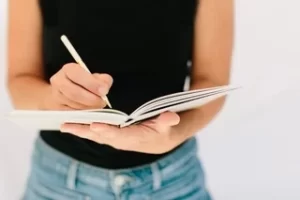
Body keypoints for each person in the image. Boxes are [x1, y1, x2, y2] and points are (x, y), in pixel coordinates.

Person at [7, 0, 233, 199]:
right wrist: (55, 99)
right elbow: (20, 82)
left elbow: (212, 82)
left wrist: (175, 133)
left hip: (174, 179)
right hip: (57, 183)